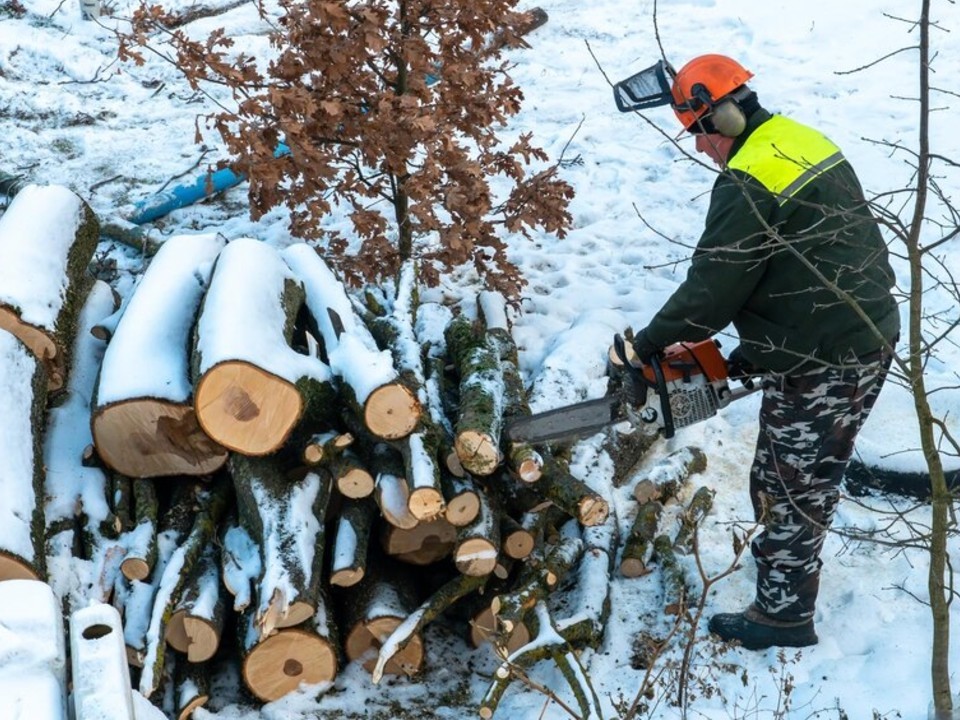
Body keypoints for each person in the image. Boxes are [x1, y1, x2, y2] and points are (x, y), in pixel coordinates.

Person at [614, 54, 900, 649]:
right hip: (856, 332)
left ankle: (785, 616)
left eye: (699, 133)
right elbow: (809, 257)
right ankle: (782, 576)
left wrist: (647, 346)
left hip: (827, 360)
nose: (699, 149)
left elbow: (712, 288)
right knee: (797, 472)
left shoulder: (747, 180)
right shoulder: (797, 138)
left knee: (789, 485)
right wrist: (756, 354)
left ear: (723, 118)